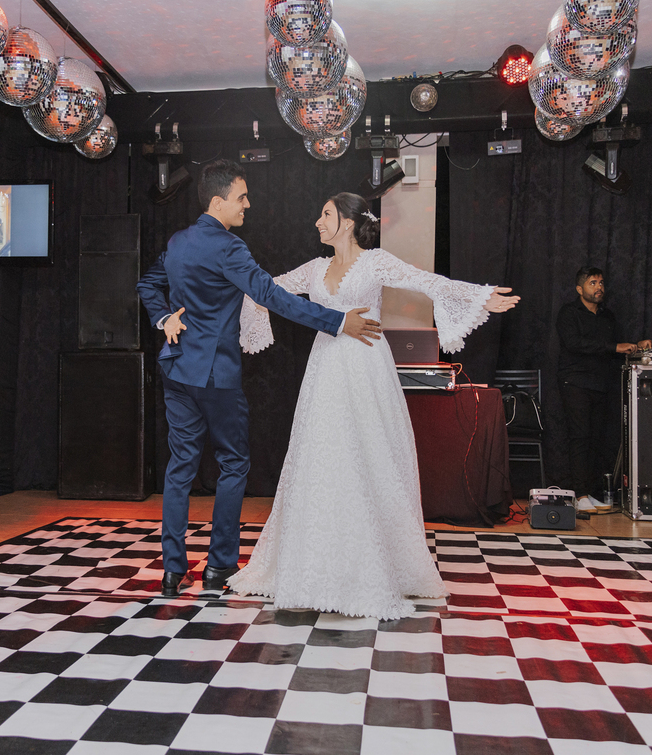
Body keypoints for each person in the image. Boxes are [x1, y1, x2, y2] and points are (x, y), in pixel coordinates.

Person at [228, 193, 519, 619]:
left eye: (325, 214)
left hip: (366, 366)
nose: (317, 222)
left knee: (369, 456)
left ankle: (380, 567)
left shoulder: (376, 261)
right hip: (325, 368)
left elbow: (427, 281)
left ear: (346, 222)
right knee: (322, 457)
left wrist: (479, 296)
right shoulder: (313, 269)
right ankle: (316, 567)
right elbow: (265, 291)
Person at [135, 161, 382, 598]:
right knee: (233, 464)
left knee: (179, 470)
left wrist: (162, 317)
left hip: (176, 369)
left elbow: (147, 284)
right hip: (216, 374)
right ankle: (219, 567)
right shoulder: (230, 248)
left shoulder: (178, 242)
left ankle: (173, 571)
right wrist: (338, 322)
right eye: (241, 197)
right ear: (218, 201)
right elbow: (272, 298)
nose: (248, 204)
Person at [556, 267, 651, 513]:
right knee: (580, 437)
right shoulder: (569, 313)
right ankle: (579, 494)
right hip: (576, 382)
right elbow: (574, 344)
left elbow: (614, 348)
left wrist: (636, 346)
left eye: (601, 282)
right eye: (592, 283)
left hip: (601, 384)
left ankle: (592, 492)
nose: (599, 287)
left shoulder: (607, 316)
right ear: (580, 289)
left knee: (597, 440)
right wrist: (615, 347)